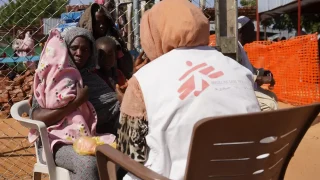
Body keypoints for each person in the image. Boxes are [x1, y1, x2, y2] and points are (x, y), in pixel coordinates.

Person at [117, 0, 261, 179]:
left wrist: (128, 103)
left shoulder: (143, 79)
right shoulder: (239, 70)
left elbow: (129, 153)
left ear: (152, 33)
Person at [30, 27, 121, 179]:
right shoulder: (50, 77)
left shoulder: (92, 80)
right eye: (74, 48)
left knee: (123, 152)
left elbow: (111, 107)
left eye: (85, 49)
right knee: (88, 163)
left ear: (91, 53)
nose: (80, 53)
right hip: (55, 142)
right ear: (65, 48)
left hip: (88, 136)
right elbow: (37, 117)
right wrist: (76, 102)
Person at [79, 3, 133, 79]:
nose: (102, 25)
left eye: (104, 22)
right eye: (97, 22)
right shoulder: (84, 43)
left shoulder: (113, 42)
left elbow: (122, 65)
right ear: (90, 23)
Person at [237, 16, 278, 111]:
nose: (254, 33)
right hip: (242, 90)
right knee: (270, 105)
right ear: (242, 31)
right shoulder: (235, 49)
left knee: (272, 96)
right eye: (252, 29)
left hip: (250, 87)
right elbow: (237, 73)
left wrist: (262, 72)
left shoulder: (241, 48)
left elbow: (249, 69)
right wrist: (259, 78)